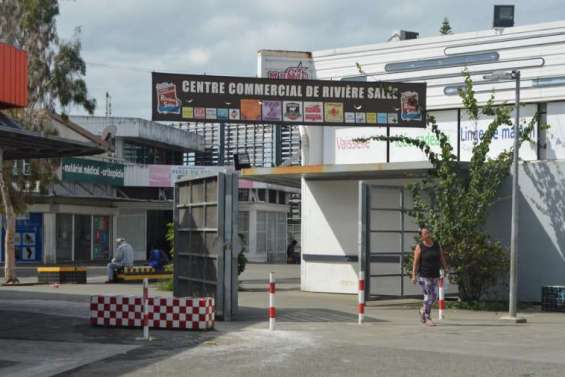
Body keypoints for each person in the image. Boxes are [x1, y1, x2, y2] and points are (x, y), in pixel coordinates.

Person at [411, 227, 448, 326]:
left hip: (435, 274)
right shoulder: (420, 247)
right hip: (424, 276)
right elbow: (415, 262)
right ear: (421, 236)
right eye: (424, 233)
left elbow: (441, 257)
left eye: (428, 232)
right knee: (429, 296)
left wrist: (445, 268)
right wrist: (413, 275)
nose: (427, 234)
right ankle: (427, 318)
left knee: (434, 296)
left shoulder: (436, 245)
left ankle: (423, 310)